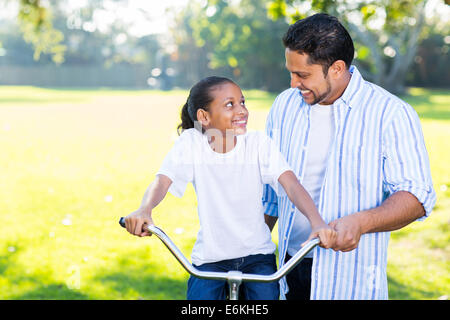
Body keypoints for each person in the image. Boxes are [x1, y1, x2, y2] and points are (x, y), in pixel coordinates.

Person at [263, 13, 436, 300]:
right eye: (291, 73)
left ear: (337, 68)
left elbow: (417, 196)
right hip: (287, 273)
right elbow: (270, 193)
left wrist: (361, 223)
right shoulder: (283, 106)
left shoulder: (391, 113)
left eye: (303, 75)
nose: (293, 84)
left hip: (348, 280)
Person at [123, 76, 337, 300]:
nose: (242, 110)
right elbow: (163, 180)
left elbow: (292, 185)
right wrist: (144, 210)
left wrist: (317, 222)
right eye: (230, 105)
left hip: (258, 257)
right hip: (210, 259)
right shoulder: (191, 143)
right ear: (204, 117)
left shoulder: (258, 144)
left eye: (242, 102)